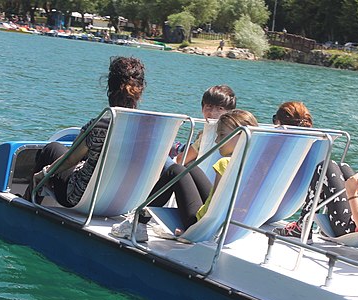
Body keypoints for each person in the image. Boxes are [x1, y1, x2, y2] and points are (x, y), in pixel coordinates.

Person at [112, 109, 259, 241]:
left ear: (240, 136)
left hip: (201, 226)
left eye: (222, 135)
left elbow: (216, 208)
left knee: (175, 171)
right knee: (191, 168)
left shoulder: (225, 164)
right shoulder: (254, 164)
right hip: (227, 225)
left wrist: (192, 233)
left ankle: (138, 223)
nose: (217, 140)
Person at [24, 56, 146, 206]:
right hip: (121, 203)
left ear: (110, 88)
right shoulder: (148, 129)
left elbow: (70, 159)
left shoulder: (99, 126)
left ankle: (28, 203)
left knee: (52, 148)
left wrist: (42, 174)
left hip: (80, 199)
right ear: (140, 91)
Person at [170, 85, 237, 166]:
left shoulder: (208, 135)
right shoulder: (240, 133)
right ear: (202, 108)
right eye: (209, 106)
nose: (212, 112)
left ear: (230, 112)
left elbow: (180, 160)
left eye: (220, 109)